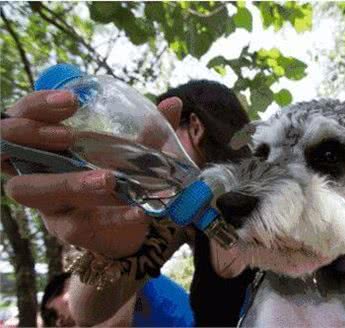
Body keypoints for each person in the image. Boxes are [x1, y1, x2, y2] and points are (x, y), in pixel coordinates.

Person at [1, 80, 256, 326]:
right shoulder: (177, 216)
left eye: (162, 134)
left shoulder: (278, 190)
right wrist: (109, 251)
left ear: (196, 128)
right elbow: (86, 310)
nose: (145, 149)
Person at [41, 272, 194, 327]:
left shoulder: (110, 276)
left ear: (68, 286)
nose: (58, 323)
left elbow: (117, 323)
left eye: (53, 314)